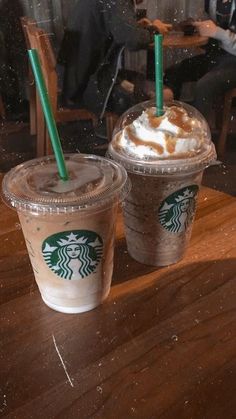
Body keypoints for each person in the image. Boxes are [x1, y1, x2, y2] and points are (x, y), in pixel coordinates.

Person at [58, 0, 173, 120]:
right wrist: (155, 29)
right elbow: (132, 41)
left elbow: (118, 31)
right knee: (165, 95)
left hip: (75, 81)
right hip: (89, 87)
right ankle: (130, 134)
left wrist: (136, 27)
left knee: (148, 85)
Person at [164, 0, 236, 120]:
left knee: (204, 86)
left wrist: (218, 33)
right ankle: (171, 124)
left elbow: (218, 32)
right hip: (216, 56)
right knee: (173, 72)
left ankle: (199, 134)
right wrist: (197, 27)